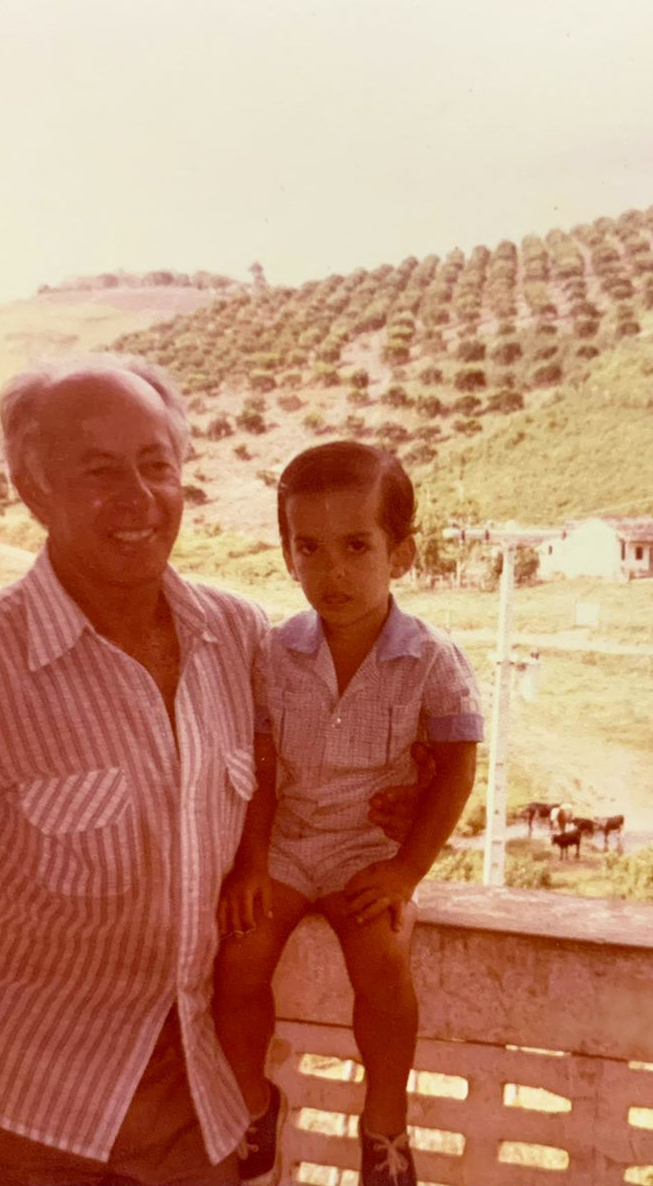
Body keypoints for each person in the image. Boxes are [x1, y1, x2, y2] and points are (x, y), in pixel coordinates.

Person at [0, 358, 418, 1186]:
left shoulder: (238, 637)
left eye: (157, 465)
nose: (139, 497)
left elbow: (297, 770)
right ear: (35, 491)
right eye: (99, 471)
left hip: (194, 1102)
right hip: (13, 1112)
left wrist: (399, 804)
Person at [212, 442, 482, 1186]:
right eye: (311, 548)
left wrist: (406, 871)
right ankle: (253, 1104)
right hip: (288, 845)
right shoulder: (272, 653)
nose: (332, 571)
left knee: (384, 964)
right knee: (237, 959)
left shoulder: (431, 658)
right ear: (288, 556)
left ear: (401, 555)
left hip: (368, 851)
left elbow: (457, 768)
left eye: (357, 546)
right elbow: (263, 769)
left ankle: (385, 1124)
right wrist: (251, 864)